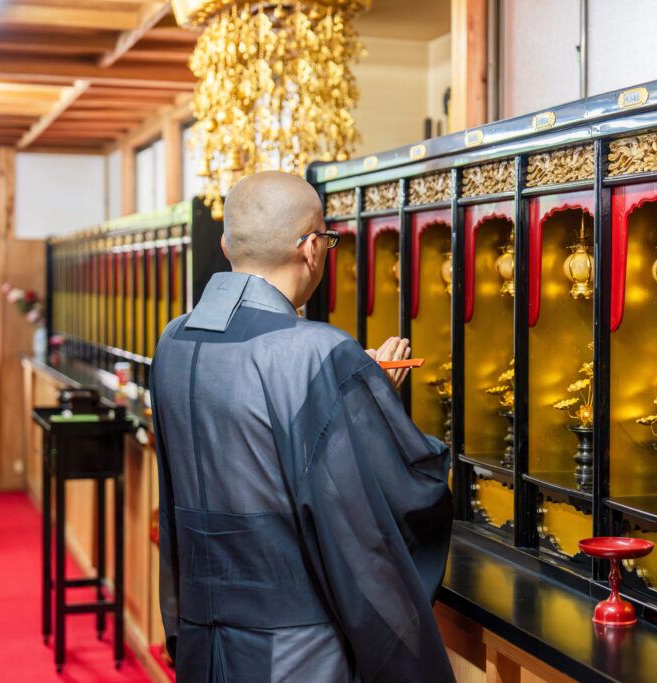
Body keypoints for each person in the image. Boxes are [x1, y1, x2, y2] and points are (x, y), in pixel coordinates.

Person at [150, 171, 456, 682]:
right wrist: (372, 404)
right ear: (313, 248)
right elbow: (381, 505)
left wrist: (355, 396)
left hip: (205, 633)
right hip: (295, 647)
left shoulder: (173, 340)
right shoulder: (316, 350)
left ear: (227, 245)